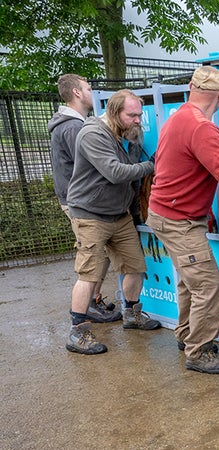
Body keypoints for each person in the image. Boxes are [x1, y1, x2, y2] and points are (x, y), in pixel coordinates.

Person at [147, 66, 219, 376]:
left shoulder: (178, 116)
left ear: (190, 87)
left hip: (167, 214)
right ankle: (199, 351)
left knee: (188, 280)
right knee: (207, 284)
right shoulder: (202, 127)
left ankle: (186, 335)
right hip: (178, 219)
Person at [65, 89, 159, 354]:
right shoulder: (93, 134)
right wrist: (151, 166)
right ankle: (77, 332)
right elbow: (115, 172)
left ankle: (132, 314)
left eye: (140, 114)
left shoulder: (122, 134)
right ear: (115, 113)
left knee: (134, 267)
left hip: (119, 215)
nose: (138, 120)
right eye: (132, 115)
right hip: (91, 215)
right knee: (89, 274)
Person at [48, 74, 121, 323]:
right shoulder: (73, 128)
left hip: (80, 200)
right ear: (77, 93)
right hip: (82, 204)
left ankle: (94, 300)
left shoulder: (74, 124)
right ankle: (87, 308)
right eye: (88, 88)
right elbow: (93, 166)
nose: (93, 91)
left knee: (98, 257)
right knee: (93, 259)